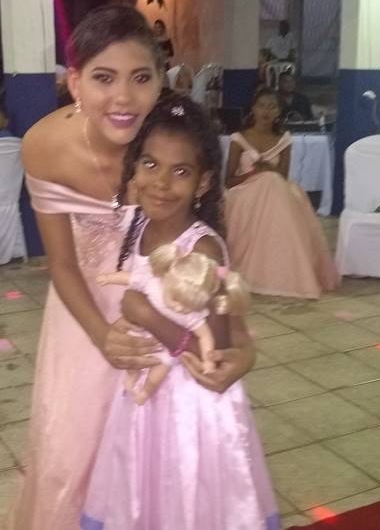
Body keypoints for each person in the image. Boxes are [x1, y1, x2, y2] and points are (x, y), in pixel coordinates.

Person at [4, 5, 257, 529]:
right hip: (83, 316)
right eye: (104, 78)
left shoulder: (170, 147)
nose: (123, 97)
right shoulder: (44, 147)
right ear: (75, 82)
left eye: (141, 78)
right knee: (72, 452)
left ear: (161, 80)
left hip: (169, 313)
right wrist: (102, 336)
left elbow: (210, 254)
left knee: (160, 460)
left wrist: (242, 344)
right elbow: (62, 263)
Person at [81, 96, 278, 529]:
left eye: (181, 171)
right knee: (143, 494)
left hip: (191, 407)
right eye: (150, 164)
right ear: (134, 168)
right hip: (144, 397)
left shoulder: (202, 249)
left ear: (203, 182)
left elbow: (215, 351)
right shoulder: (137, 226)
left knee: (183, 499)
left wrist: (147, 316)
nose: (161, 183)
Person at [225, 88, 338, 298]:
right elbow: (228, 181)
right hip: (244, 191)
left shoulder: (284, 139)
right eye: (261, 106)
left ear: (279, 111)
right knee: (270, 183)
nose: (266, 111)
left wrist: (267, 169)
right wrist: (253, 173)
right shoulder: (239, 138)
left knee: (275, 184)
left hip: (275, 190)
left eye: (272, 107)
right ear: (253, 109)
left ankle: (286, 271)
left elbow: (283, 176)